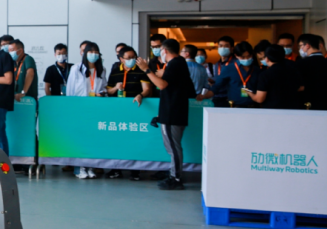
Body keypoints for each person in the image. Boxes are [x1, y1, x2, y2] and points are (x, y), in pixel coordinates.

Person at [136, 38, 196, 191]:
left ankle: (176, 178)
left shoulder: (175, 64)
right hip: (174, 110)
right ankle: (173, 173)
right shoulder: (179, 63)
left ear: (164, 50)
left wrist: (146, 69)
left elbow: (161, 85)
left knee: (173, 147)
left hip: (172, 112)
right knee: (173, 146)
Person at [105, 45, 151, 180]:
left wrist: (140, 95)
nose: (131, 60)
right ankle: (116, 169)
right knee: (117, 140)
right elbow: (108, 91)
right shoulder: (115, 71)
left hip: (135, 110)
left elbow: (147, 89)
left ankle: (135, 171)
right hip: (117, 111)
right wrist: (115, 88)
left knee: (134, 139)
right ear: (121, 59)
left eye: (133, 57)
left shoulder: (141, 70)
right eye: (128, 58)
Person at [67, 42, 106, 179]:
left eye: (96, 52)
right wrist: (71, 108)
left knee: (93, 137)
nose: (93, 54)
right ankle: (79, 167)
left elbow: (104, 86)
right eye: (91, 52)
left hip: (95, 108)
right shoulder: (76, 68)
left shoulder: (101, 69)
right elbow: (70, 89)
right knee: (80, 137)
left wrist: (102, 93)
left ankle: (90, 166)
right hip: (79, 108)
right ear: (85, 53)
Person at [200, 41, 258, 108]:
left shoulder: (257, 70)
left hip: (254, 107)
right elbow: (217, 86)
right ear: (236, 56)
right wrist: (204, 96)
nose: (246, 59)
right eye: (243, 57)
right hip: (235, 107)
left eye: (248, 56)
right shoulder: (228, 69)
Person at [246, 44, 303, 110]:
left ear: (267, 59)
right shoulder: (293, 70)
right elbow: (301, 88)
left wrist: (250, 93)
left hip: (273, 110)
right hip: (292, 109)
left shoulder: (265, 75)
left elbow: (259, 99)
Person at [295, 33, 327, 110]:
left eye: (300, 46)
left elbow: (298, 86)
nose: (300, 49)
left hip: (308, 104)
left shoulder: (301, 63)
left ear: (307, 46)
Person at [211, 35, 236, 107]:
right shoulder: (217, 64)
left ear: (232, 48)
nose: (223, 48)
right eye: (221, 46)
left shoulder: (235, 63)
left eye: (226, 46)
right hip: (217, 96)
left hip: (229, 98)